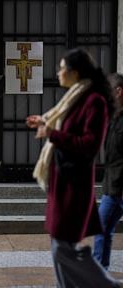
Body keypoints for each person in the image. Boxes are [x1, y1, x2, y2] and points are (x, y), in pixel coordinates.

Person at [26, 49, 121, 287]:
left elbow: (89, 145)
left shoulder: (94, 102)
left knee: (62, 249)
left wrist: (52, 133)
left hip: (73, 185)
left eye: (62, 68)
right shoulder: (76, 97)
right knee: (59, 246)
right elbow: (68, 131)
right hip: (62, 183)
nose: (58, 73)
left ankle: (106, 284)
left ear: (75, 72)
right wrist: (46, 123)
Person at [93, 73, 123, 270]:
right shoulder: (114, 117)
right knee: (104, 230)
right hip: (112, 184)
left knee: (101, 228)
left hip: (118, 187)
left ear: (119, 92)